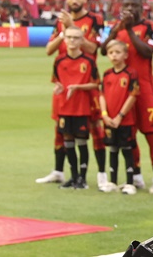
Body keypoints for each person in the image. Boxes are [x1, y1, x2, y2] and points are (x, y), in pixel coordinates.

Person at [37, 0, 106, 187]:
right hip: (64, 81)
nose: (74, 0)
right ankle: (59, 171)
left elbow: (94, 48)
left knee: (94, 127)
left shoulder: (95, 20)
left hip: (85, 81)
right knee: (61, 129)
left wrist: (71, 29)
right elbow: (49, 50)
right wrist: (63, 31)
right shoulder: (60, 23)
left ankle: (101, 174)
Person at [105, 0, 153, 193]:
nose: (130, 9)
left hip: (144, 89)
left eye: (134, 5)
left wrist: (128, 30)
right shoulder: (117, 27)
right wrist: (117, 29)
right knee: (130, 135)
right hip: (123, 91)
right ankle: (136, 175)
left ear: (141, 8)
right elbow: (104, 50)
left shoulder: (151, 27)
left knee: (151, 133)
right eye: (126, 5)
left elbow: (147, 52)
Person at [51, 26, 99, 190]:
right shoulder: (59, 61)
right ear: (64, 39)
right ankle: (73, 176)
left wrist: (77, 87)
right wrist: (58, 88)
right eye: (69, 37)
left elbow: (96, 84)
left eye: (76, 37)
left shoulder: (88, 61)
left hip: (81, 107)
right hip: (64, 107)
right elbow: (57, 81)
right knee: (68, 143)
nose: (72, 40)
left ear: (82, 40)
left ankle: (82, 179)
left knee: (81, 142)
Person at [99, 39, 139, 194]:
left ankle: (130, 182)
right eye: (111, 53)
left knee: (127, 149)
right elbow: (101, 95)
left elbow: (133, 95)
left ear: (125, 55)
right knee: (113, 149)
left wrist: (120, 116)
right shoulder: (107, 74)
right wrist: (104, 115)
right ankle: (112, 181)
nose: (114, 56)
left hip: (125, 119)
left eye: (117, 52)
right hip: (109, 119)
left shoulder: (130, 73)